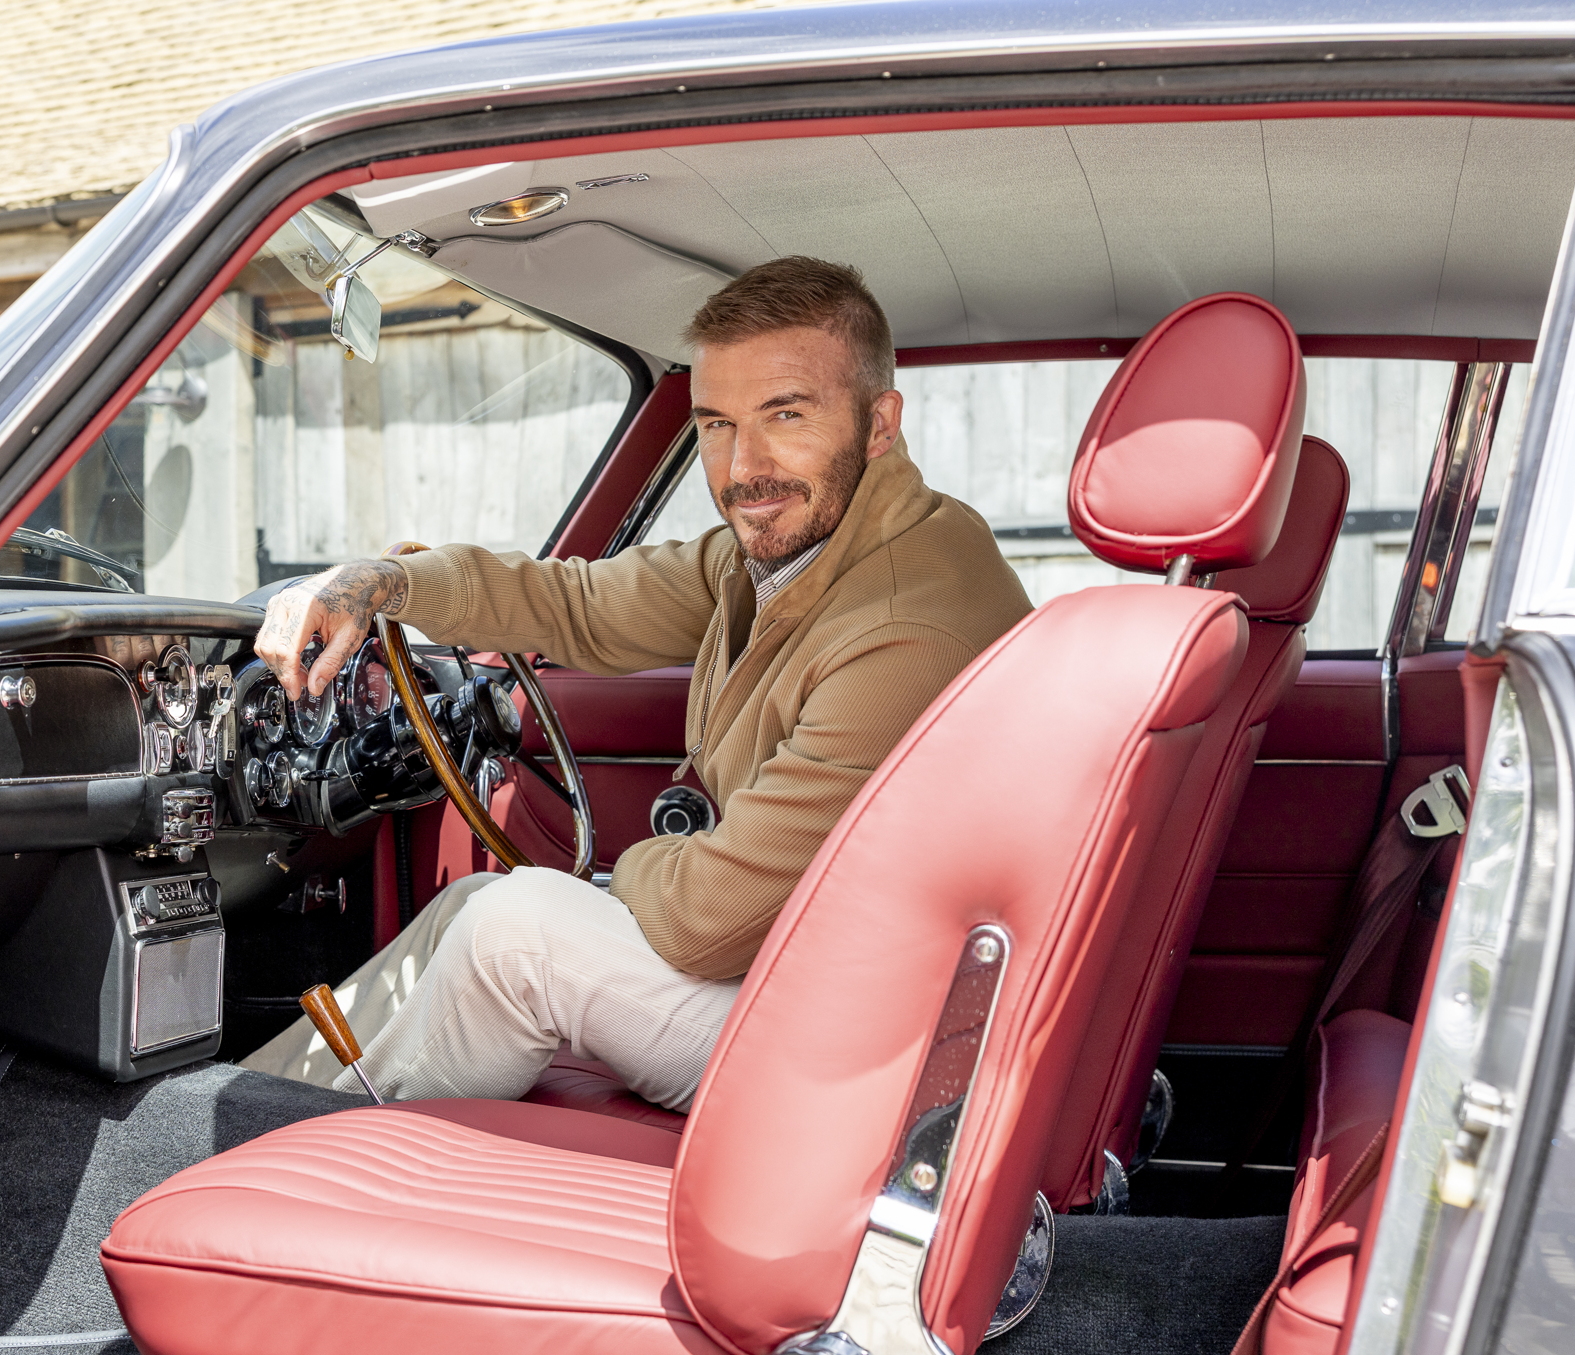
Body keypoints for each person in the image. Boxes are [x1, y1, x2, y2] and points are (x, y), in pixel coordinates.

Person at [241, 256, 1032, 1111]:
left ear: (880, 424)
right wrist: (386, 584)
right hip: (827, 980)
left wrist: (626, 875)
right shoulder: (794, 554)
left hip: (877, 1053)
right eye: (718, 425)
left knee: (516, 935)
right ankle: (258, 1107)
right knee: (485, 899)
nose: (743, 469)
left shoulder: (900, 627)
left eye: (787, 415)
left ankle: (313, 1165)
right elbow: (579, 604)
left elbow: (707, 919)